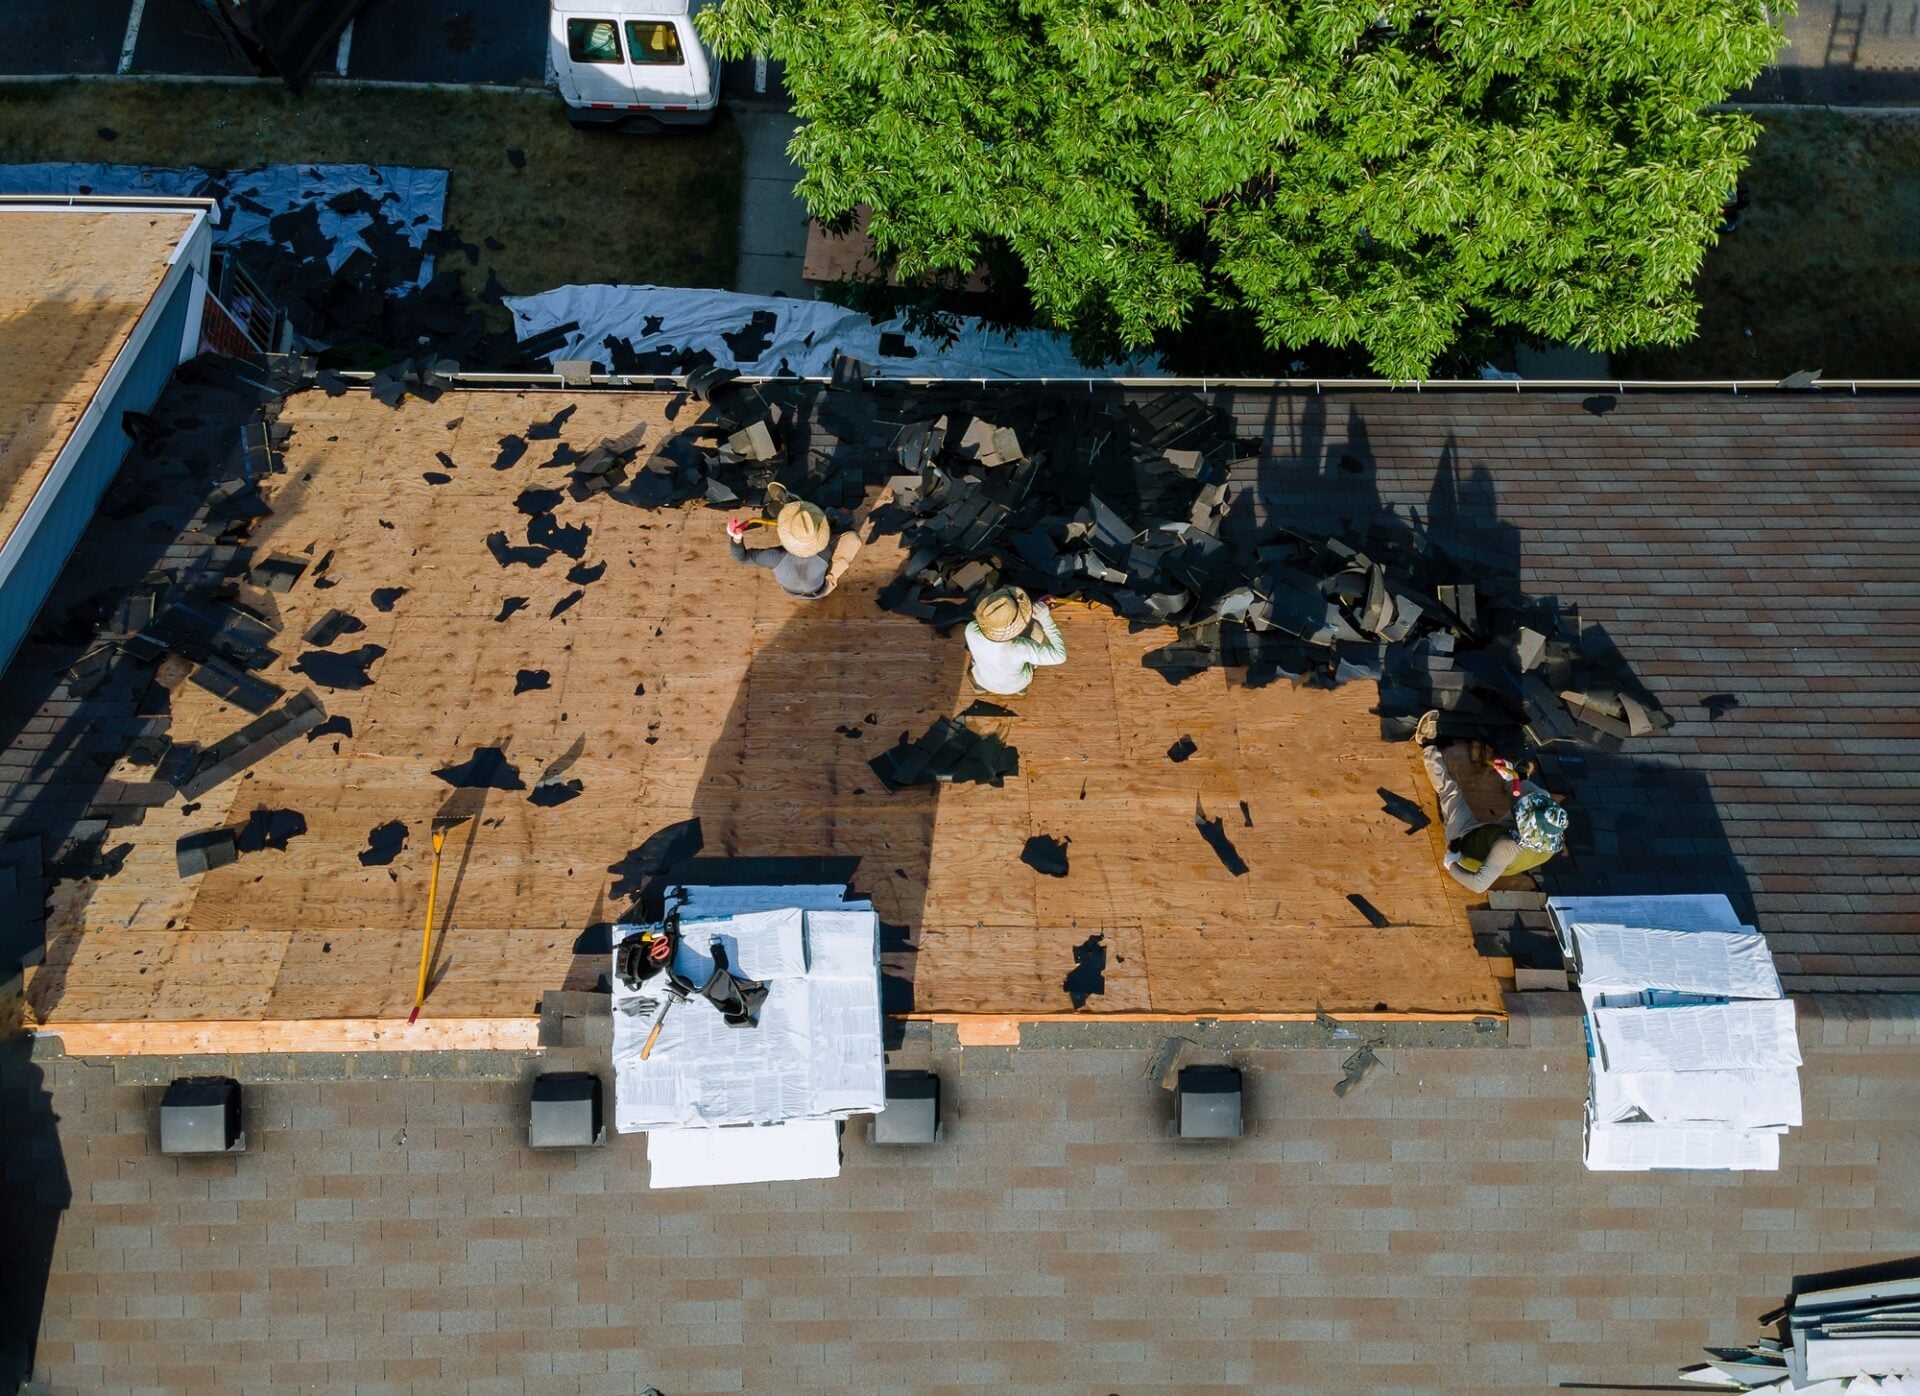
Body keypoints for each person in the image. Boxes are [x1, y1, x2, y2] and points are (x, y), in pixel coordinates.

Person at [1413, 711, 1568, 893]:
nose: (1527, 805)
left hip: (1467, 844)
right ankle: (1513, 777)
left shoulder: (1506, 849)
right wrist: (1511, 777)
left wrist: (1452, 862)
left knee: (1451, 793)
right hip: (1503, 834)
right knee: (1540, 794)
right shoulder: (1550, 837)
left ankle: (1427, 744)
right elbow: (1527, 805)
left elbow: (1479, 885)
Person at [726, 499, 860, 601]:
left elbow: (741, 557)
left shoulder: (774, 558)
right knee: (853, 538)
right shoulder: (824, 550)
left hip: (792, 592)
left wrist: (737, 536)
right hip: (820, 590)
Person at [964, 586, 1067, 696]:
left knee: (973, 668)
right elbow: (1060, 656)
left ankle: (978, 688)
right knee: (1037, 632)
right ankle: (1021, 691)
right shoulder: (1021, 648)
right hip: (1016, 685)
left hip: (982, 680)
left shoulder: (971, 629)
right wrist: (1046, 619)